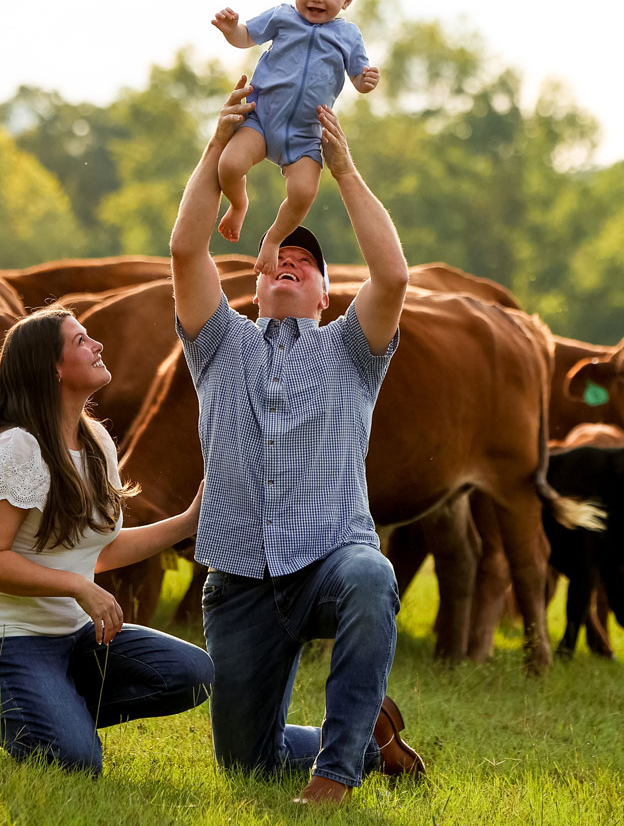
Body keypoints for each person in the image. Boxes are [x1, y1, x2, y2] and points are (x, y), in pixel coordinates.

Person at [166, 76, 424, 805]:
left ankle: (334, 780)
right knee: (245, 768)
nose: (289, 261)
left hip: (329, 560)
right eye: (278, 255)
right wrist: (219, 148)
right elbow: (186, 249)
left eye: (305, 263)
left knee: (372, 576)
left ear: (323, 296)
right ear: (251, 284)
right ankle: (366, 737)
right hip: (240, 581)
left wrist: (342, 171)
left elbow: (394, 273)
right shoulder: (218, 344)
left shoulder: (351, 349)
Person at [0, 307, 211, 775]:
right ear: (54, 368)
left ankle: (41, 706)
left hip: (74, 638)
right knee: (75, 762)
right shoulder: (19, 447)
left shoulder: (97, 441)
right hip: (3, 642)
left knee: (192, 675)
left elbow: (98, 550)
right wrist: (79, 587)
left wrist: (190, 521)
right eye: (82, 341)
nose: (97, 345)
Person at [209, 0, 382, 269]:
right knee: (229, 166)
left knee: (304, 193)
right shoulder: (282, 16)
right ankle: (239, 202)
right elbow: (246, 36)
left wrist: (366, 81)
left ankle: (273, 239)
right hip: (261, 120)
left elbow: (358, 77)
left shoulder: (348, 35)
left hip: (306, 134)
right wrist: (232, 29)